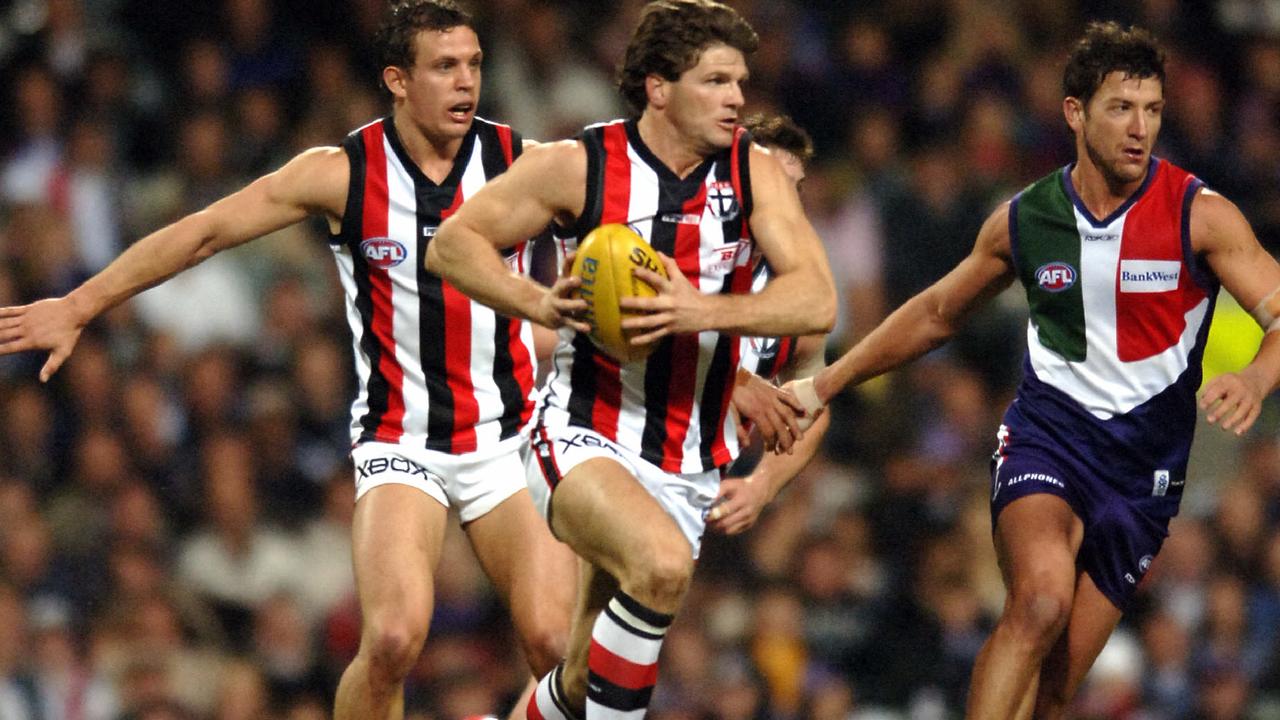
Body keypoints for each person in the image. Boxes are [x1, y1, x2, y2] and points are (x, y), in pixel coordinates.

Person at [0, 3, 577, 719]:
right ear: (398, 80)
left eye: (475, 64)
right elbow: (205, 231)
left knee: (556, 644)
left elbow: (638, 260)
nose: (466, 82)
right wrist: (81, 305)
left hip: (510, 434)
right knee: (394, 638)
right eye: (445, 66)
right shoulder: (341, 174)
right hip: (404, 442)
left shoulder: (526, 164)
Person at [806, 22, 1280, 719]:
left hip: (1143, 472)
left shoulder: (1198, 215)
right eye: (1121, 107)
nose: (1140, 126)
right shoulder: (1026, 219)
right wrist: (825, 382)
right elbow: (938, 312)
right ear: (1075, 112)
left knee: (1056, 693)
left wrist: (1257, 377)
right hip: (1047, 436)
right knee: (1040, 599)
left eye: (1152, 110)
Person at [425, 2, 837, 717]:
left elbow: (817, 300)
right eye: (715, 81)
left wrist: (698, 311)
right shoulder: (576, 166)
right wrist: (534, 302)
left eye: (740, 82)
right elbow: (452, 245)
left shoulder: (756, 175)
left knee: (582, 674)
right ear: (658, 87)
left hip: (688, 466)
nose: (738, 98)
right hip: (586, 431)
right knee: (662, 566)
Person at [708, 112, 831, 536]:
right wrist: (734, 383)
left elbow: (813, 403)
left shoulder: (798, 300)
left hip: (699, 482)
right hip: (615, 451)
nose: (789, 202)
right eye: (775, 182)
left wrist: (761, 487)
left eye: (795, 189)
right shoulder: (685, 247)